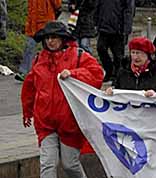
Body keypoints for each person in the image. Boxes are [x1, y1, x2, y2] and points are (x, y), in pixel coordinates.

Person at [21, 21, 104, 178]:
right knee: (47, 164)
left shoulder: (78, 55)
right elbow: (30, 88)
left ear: (63, 39)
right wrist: (27, 112)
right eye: (47, 38)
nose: (50, 41)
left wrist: (74, 74)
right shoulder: (39, 60)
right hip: (45, 123)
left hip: (70, 123)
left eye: (54, 37)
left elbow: (97, 74)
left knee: (70, 165)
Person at [15, 0, 61, 81]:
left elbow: (57, 4)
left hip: (46, 22)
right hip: (33, 24)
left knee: (48, 48)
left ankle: (51, 71)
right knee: (29, 47)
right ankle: (25, 72)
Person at [95, 0, 136, 82]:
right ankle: (109, 70)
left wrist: (126, 29)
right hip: (104, 27)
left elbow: (129, 10)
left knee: (118, 56)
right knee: (101, 48)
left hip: (118, 30)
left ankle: (117, 76)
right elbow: (98, 6)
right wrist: (96, 23)